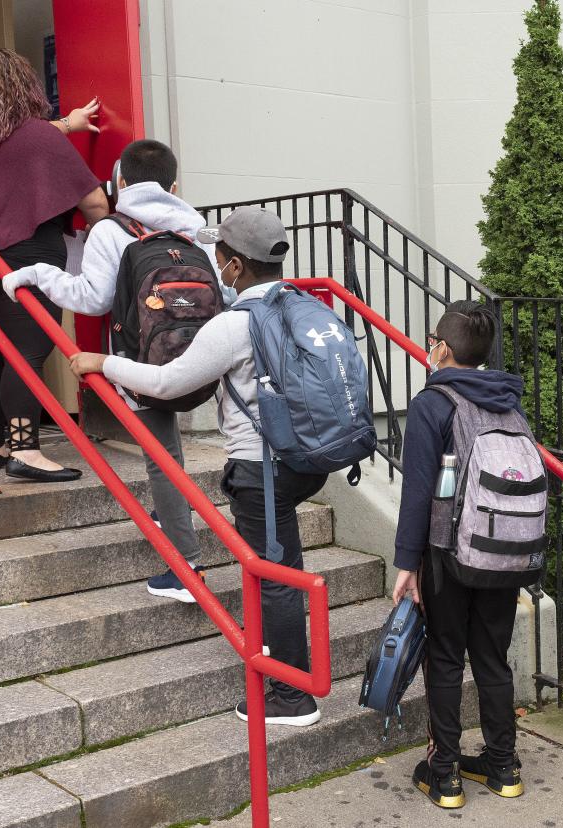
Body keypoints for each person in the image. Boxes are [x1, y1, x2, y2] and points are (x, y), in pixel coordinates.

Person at [69, 207, 326, 726]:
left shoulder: (234, 325)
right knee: (280, 565)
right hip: (307, 458)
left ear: (232, 266)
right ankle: (287, 671)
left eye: (219, 257)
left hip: (261, 467)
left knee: (275, 575)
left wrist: (103, 363)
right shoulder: (301, 305)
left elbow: (168, 383)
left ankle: (292, 694)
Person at [2, 139, 225, 601]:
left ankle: (186, 570)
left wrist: (36, 274)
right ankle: (175, 518)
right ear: (174, 185)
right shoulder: (197, 229)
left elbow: (92, 299)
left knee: (162, 458)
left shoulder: (110, 230)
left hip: (139, 361)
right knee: (173, 458)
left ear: (120, 182)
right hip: (204, 361)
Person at [0, 47, 109, 482]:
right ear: (27, 85)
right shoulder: (40, 137)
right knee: (25, 354)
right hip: (24, 259)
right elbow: (92, 200)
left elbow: (6, 140)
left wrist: (65, 125)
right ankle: (26, 451)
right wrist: (107, 238)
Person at [391, 301, 528, 809]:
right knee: (493, 658)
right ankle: (502, 766)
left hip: (449, 553)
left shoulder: (432, 404)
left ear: (442, 348)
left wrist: (409, 564)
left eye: (432, 339)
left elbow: (418, 492)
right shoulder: (509, 402)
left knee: (446, 657)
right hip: (505, 551)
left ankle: (444, 774)